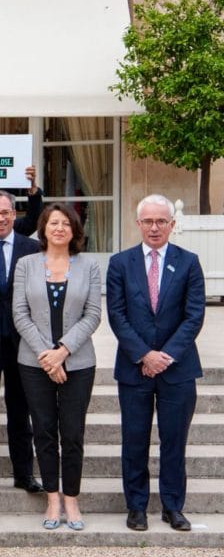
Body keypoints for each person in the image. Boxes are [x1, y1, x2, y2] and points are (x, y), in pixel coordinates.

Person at [107, 194, 205, 532]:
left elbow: (194, 316)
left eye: (161, 221)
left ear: (171, 225)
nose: (154, 227)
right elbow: (117, 315)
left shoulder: (189, 262)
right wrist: (144, 355)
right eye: (147, 221)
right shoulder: (120, 263)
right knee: (134, 440)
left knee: (174, 441)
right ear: (138, 224)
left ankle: (172, 507)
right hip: (134, 368)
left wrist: (164, 357)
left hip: (177, 370)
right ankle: (136, 507)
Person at [13, 204, 102, 530]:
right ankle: (52, 498)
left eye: (66, 223)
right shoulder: (26, 265)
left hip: (78, 363)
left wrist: (62, 351)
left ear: (74, 230)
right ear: (44, 228)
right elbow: (20, 314)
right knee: (45, 431)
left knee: (73, 433)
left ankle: (72, 500)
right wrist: (47, 356)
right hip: (34, 363)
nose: (60, 228)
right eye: (54, 222)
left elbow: (93, 315)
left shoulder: (89, 267)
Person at [0, 190, 43, 495]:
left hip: (23, 341)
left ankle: (24, 473)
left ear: (14, 215)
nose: (0, 218)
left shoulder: (33, 249)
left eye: (6, 212)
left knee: (21, 410)